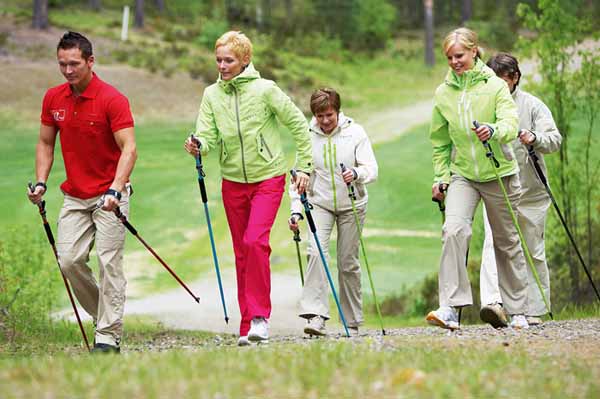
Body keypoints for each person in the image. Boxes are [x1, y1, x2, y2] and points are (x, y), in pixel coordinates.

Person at [184, 31, 312, 346]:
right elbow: (207, 134)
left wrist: (305, 166)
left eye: (229, 60)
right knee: (242, 250)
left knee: (255, 242)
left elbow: (298, 123)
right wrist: (199, 144)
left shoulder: (266, 89)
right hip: (232, 183)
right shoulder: (211, 94)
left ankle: (259, 318)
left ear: (245, 60)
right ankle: (247, 326)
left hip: (268, 178)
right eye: (219, 60)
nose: (222, 66)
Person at [27, 31, 137, 353]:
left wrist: (116, 188)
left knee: (108, 262)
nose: (68, 70)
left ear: (90, 61)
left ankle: (107, 335)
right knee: (69, 261)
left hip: (109, 197)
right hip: (74, 196)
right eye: (62, 64)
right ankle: (104, 315)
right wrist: (41, 181)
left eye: (74, 63)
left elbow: (129, 148)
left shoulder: (112, 99)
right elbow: (46, 142)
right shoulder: (53, 98)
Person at [426, 27, 530, 330]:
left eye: (459, 55)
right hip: (464, 175)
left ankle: (518, 310)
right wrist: (441, 175)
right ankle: (450, 307)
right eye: (449, 58)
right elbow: (439, 141)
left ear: (474, 51)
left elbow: (510, 123)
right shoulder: (443, 93)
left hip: (499, 171)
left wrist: (493, 130)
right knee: (454, 231)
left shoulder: (495, 86)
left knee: (506, 241)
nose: (455, 62)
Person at [479, 53, 562, 327]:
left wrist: (534, 138)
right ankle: (495, 304)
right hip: (499, 190)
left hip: (532, 193)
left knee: (532, 249)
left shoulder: (533, 105)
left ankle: (534, 309)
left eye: (501, 81)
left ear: (514, 78)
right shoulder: (485, 105)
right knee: (494, 246)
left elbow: (554, 140)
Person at [288, 88, 378, 337]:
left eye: (329, 114)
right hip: (320, 202)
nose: (325, 120)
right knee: (315, 252)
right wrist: (296, 211)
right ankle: (316, 316)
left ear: (338, 111)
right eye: (319, 115)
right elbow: (299, 176)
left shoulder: (355, 132)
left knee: (347, 262)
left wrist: (356, 174)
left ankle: (352, 320)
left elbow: (372, 168)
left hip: (353, 203)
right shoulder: (307, 136)